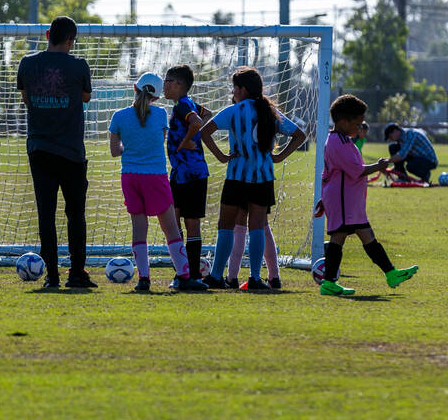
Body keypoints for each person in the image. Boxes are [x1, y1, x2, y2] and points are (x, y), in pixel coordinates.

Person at [197, 66, 307, 291]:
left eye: (235, 87)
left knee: (225, 225)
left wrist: (221, 156)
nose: (233, 92)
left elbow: (204, 132)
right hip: (263, 177)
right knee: (257, 226)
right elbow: (299, 135)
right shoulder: (270, 111)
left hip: (237, 176)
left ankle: (217, 275)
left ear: (243, 89)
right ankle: (256, 278)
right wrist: (278, 157)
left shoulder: (233, 111)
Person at [17, 16, 95, 289]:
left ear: (48, 33)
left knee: (45, 213)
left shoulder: (27, 63)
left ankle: (51, 274)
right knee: (75, 214)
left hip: (39, 148)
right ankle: (77, 273)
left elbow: (26, 96)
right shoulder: (79, 66)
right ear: (71, 40)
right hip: (72, 150)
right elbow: (85, 97)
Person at [315, 94, 418, 296]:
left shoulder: (344, 139)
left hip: (348, 201)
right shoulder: (337, 142)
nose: (360, 128)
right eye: (358, 123)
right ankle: (328, 283)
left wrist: (323, 197)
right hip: (343, 200)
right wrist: (378, 166)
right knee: (338, 238)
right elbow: (356, 170)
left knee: (368, 237)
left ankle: (391, 273)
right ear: (343, 122)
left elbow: (330, 174)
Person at [108, 72, 197, 293]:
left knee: (139, 228)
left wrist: (128, 147)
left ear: (135, 88)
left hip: (130, 177)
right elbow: (160, 140)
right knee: (170, 229)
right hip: (155, 176)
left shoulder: (118, 116)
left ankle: (144, 279)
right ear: (156, 97)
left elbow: (114, 151)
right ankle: (184, 276)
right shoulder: (160, 115)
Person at [162, 64, 211, 291]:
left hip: (190, 173)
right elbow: (207, 115)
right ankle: (185, 273)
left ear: (179, 84)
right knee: (177, 221)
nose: (165, 85)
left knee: (189, 224)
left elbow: (198, 122)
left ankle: (190, 275)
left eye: (168, 80)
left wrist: (184, 143)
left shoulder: (183, 105)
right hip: (182, 173)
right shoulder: (186, 104)